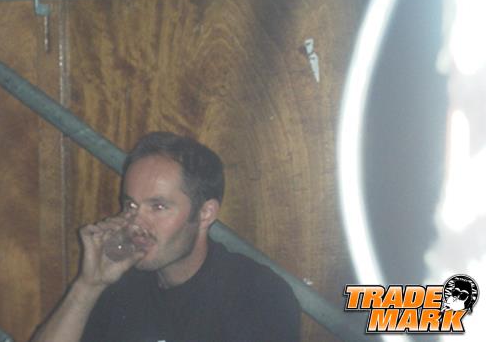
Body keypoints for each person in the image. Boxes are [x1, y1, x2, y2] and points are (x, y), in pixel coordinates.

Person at [31, 132, 300, 342]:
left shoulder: (257, 294)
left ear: (205, 213)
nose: (135, 223)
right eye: (130, 205)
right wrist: (88, 286)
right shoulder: (120, 283)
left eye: (158, 207)